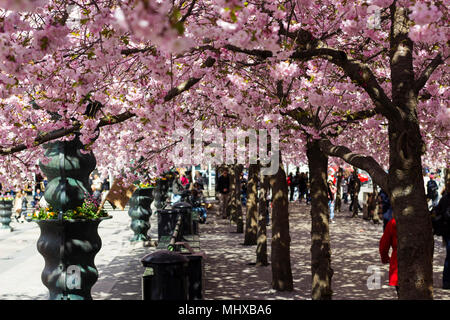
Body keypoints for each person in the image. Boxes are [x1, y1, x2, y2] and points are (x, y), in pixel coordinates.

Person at [431, 178, 450, 289]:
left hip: (447, 231)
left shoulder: (444, 199)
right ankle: (446, 281)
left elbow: (437, 212)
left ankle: (447, 281)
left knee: (449, 256)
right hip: (448, 231)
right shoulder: (445, 199)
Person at [379, 217, 399, 297]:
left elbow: (384, 245)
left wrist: (385, 258)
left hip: (398, 262)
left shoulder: (394, 222)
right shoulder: (421, 220)